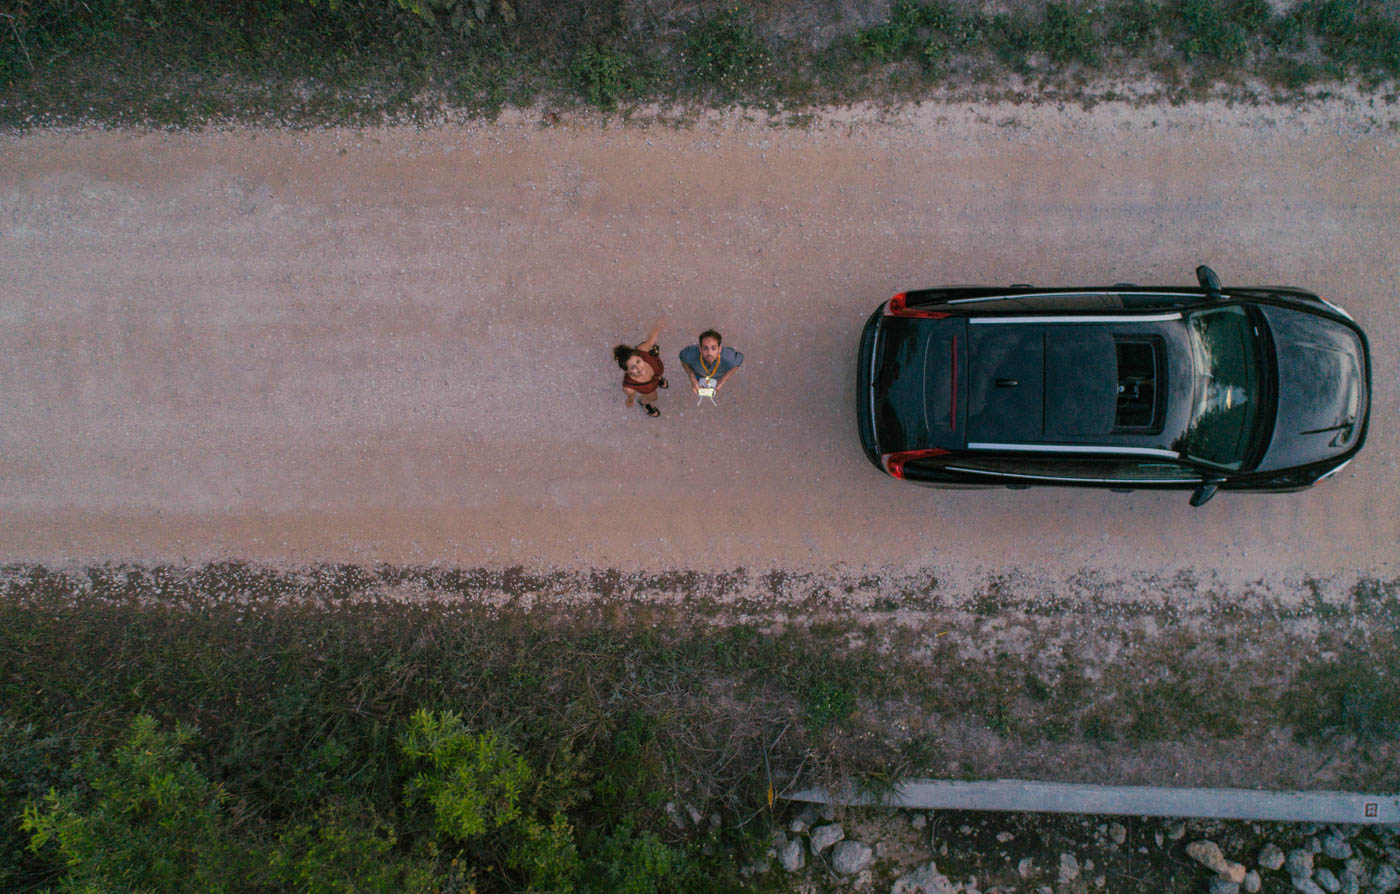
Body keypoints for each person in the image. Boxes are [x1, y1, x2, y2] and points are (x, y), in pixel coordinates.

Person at [614, 320, 668, 417]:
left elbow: (651, 339)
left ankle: (658, 379)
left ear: (641, 357)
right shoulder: (629, 387)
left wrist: (658, 326)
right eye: (633, 367)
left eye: (638, 361)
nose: (639, 368)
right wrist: (630, 401)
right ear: (627, 371)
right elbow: (631, 395)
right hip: (649, 389)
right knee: (653, 397)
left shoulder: (642, 349)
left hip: (656, 374)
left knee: (658, 375)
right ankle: (644, 403)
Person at [678, 329, 743, 398]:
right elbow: (683, 359)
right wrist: (692, 378)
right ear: (700, 349)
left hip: (717, 376)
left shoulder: (729, 358)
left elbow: (738, 362)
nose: (709, 353)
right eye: (705, 348)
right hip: (699, 375)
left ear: (720, 348)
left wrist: (722, 381)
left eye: (713, 348)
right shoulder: (689, 354)